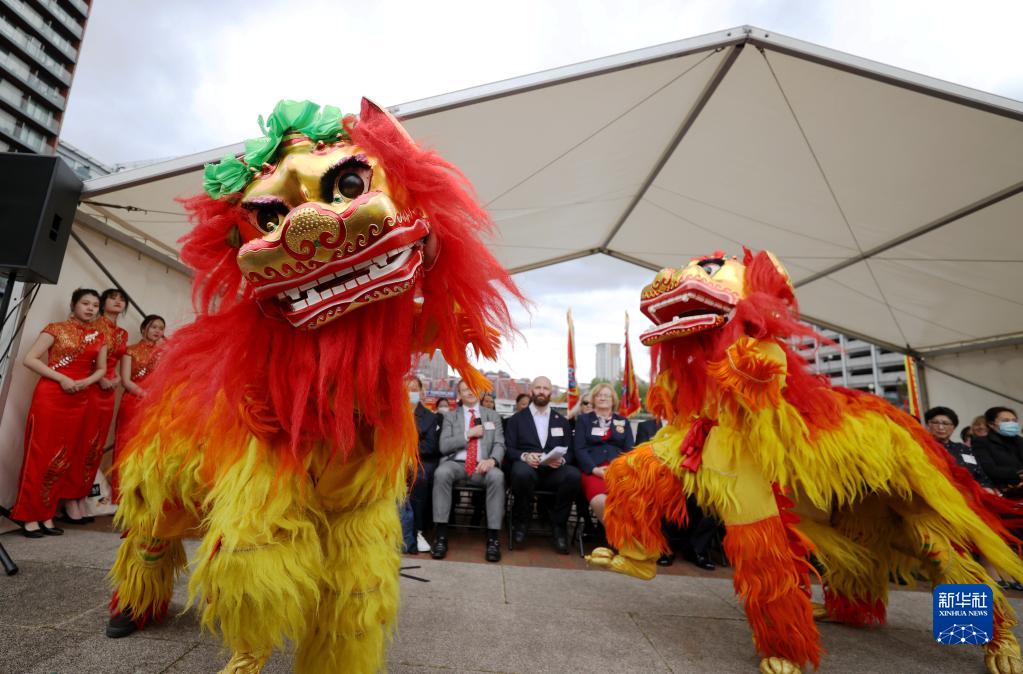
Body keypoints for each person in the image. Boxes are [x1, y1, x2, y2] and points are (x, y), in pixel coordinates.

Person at [9, 289, 108, 536]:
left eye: (95, 305)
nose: (90, 308)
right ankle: (27, 515)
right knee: (40, 455)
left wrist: (87, 382)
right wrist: (62, 378)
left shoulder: (100, 336)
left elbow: (101, 369)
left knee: (63, 458)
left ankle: (46, 514)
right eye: (85, 303)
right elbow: (30, 359)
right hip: (52, 396)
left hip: (79, 398)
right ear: (73, 304)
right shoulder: (55, 328)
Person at [432, 379, 505, 562]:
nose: (470, 392)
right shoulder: (451, 416)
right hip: (456, 464)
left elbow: (499, 444)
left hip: (483, 465)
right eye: (465, 389)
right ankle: (440, 536)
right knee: (441, 473)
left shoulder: (492, 416)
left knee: (498, 477)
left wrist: (492, 460)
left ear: (479, 392)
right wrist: (467, 434)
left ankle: (493, 539)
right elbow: (444, 446)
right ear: (459, 395)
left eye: (473, 388)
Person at [70, 288, 128, 519]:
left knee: (96, 445)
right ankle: (71, 498)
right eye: (113, 298)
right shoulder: (93, 324)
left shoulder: (122, 333)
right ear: (102, 303)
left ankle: (84, 497)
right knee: (82, 441)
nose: (118, 302)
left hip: (109, 391)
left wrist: (116, 378)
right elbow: (84, 356)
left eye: (122, 299)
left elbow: (117, 363)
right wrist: (99, 377)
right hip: (91, 386)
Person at [505, 376, 580, 553]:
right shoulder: (516, 419)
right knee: (521, 472)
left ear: (550, 392)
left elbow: (570, 452)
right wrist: (525, 456)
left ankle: (559, 526)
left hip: (553, 472)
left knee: (573, 475)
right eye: (538, 387)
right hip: (527, 468)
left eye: (545, 388)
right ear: (531, 391)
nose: (541, 391)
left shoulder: (561, 421)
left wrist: (561, 460)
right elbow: (509, 449)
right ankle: (522, 521)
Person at [112, 314, 165, 502]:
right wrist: (145, 395)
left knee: (150, 446)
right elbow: (126, 381)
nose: (157, 331)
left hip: (156, 403)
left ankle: (145, 496)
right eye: (153, 327)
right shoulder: (130, 351)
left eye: (161, 328)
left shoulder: (165, 353)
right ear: (143, 329)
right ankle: (122, 496)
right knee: (127, 444)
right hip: (133, 402)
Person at [573, 383, 633, 523]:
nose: (603, 398)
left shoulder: (623, 422)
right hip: (592, 470)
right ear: (594, 399)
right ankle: (616, 534)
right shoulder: (584, 420)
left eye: (607, 395)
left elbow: (629, 450)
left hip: (618, 470)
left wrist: (619, 469)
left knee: (629, 500)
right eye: (599, 395)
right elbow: (579, 449)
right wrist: (594, 469)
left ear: (613, 400)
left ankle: (624, 533)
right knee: (601, 501)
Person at [407, 377, 440, 554]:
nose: (409, 393)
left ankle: (417, 531)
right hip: (395, 459)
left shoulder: (430, 417)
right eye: (405, 389)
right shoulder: (392, 413)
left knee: (419, 479)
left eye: (413, 389)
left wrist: (408, 453)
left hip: (421, 460)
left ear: (420, 392)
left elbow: (429, 446)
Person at [972, 407, 1023, 494]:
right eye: (1006, 421)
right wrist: (1018, 474)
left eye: (1014, 421)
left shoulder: (1020, 441)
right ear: (991, 424)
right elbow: (989, 469)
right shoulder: (982, 442)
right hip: (1004, 490)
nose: (1011, 423)